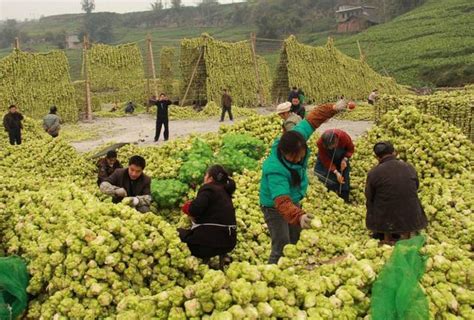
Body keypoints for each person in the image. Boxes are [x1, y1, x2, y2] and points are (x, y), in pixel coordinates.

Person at [260, 99, 355, 264]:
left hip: (294, 200)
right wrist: (298, 216)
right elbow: (281, 201)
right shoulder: (275, 170)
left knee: (295, 239)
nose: (299, 159)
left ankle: (291, 267)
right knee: (281, 243)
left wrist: (332, 108)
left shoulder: (295, 138)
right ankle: (274, 268)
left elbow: (313, 119)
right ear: (284, 153)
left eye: (301, 154)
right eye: (294, 157)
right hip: (273, 206)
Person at [365, 142, 428, 245]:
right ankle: (406, 236)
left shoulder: (374, 172)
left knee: (378, 203)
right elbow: (416, 187)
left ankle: (387, 238)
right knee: (408, 199)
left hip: (387, 217)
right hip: (412, 216)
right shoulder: (409, 167)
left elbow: (369, 196)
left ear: (377, 157)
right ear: (394, 153)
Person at [178, 165, 237, 266]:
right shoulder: (225, 191)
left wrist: (187, 207)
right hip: (229, 243)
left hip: (209, 245)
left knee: (177, 235)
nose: (204, 178)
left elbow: (194, 210)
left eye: (205, 175)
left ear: (210, 178)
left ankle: (193, 264)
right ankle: (222, 257)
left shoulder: (209, 188)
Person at [314, 129, 354, 203]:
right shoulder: (320, 143)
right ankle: (328, 195)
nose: (332, 148)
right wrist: (335, 172)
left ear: (336, 141)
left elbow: (351, 149)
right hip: (326, 158)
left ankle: (344, 196)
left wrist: (345, 159)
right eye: (330, 148)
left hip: (341, 156)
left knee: (344, 175)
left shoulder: (343, 137)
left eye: (333, 146)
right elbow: (325, 159)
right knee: (322, 175)